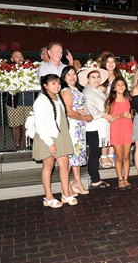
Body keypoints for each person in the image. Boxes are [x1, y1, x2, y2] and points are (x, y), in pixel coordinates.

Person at [32, 74, 76, 208]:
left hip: (60, 136)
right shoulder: (41, 100)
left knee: (64, 164)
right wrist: (49, 142)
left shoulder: (58, 97)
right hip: (48, 137)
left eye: (58, 83)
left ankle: (66, 194)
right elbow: (39, 124)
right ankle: (48, 197)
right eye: (52, 83)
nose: (56, 85)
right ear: (45, 86)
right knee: (48, 166)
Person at [80, 67, 114, 189]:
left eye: (98, 77)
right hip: (93, 127)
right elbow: (92, 110)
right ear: (88, 79)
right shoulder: (87, 92)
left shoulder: (96, 90)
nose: (96, 79)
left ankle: (95, 178)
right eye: (93, 77)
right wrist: (105, 115)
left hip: (99, 126)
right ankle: (94, 179)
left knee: (96, 152)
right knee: (95, 153)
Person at [60, 66, 93, 196]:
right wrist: (83, 117)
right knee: (70, 156)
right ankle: (66, 186)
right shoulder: (66, 91)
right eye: (69, 74)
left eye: (74, 74)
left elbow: (81, 108)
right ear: (64, 77)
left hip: (80, 125)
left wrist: (86, 116)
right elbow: (68, 112)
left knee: (77, 155)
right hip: (72, 127)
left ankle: (77, 182)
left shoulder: (77, 90)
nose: (72, 77)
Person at [106, 77, 133, 190]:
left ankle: (126, 178)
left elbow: (132, 114)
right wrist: (121, 115)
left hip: (128, 129)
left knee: (126, 156)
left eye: (123, 84)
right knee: (119, 157)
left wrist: (131, 116)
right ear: (114, 88)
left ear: (126, 87)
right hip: (116, 130)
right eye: (118, 85)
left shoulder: (129, 99)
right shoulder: (110, 102)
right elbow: (108, 118)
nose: (121, 87)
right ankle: (120, 179)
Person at [6, 50, 34, 149]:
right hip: (14, 102)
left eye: (21, 55)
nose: (20, 58)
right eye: (17, 56)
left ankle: (27, 146)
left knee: (27, 125)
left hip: (28, 101)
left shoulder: (31, 68)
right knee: (15, 125)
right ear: (12, 59)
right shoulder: (8, 70)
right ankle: (17, 146)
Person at [99, 52, 123, 167]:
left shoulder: (119, 75)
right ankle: (103, 155)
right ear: (104, 63)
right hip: (104, 107)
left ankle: (111, 154)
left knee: (115, 131)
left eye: (112, 61)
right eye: (108, 62)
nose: (110, 64)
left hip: (116, 106)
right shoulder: (100, 75)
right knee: (105, 131)